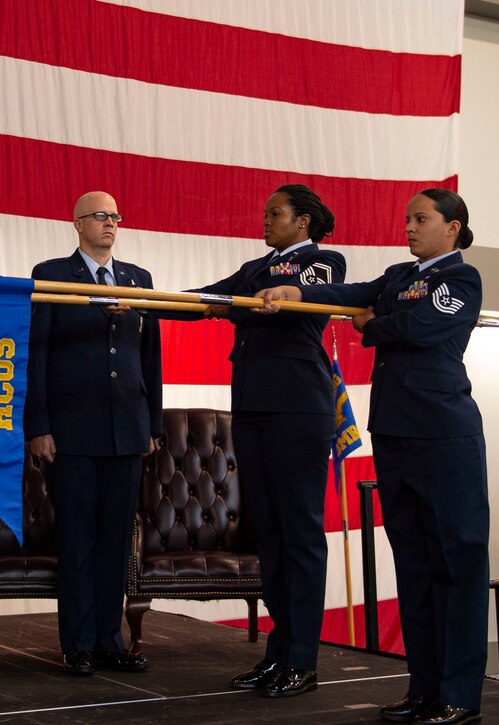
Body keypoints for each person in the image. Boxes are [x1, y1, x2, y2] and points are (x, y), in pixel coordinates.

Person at [257, 189, 488, 725]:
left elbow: (423, 328)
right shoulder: (397, 277)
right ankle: (423, 689)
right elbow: (350, 292)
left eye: (421, 219)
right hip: (396, 434)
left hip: (444, 437)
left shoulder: (462, 278)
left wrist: (370, 326)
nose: (408, 227)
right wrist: (297, 292)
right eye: (407, 218)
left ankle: (459, 695)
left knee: (456, 566)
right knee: (413, 566)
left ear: (452, 228)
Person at [152, 184, 345, 697]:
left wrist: (269, 299)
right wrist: (146, 305)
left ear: (303, 221)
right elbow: (208, 299)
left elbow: (308, 301)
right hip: (255, 410)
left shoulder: (322, 264)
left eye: (276, 213)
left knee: (300, 535)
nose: (265, 220)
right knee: (272, 535)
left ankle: (302, 658)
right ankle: (278, 654)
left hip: (299, 409)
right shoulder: (256, 268)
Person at [24, 191, 162, 676]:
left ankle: (109, 640)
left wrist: (154, 425)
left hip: (127, 429)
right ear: (77, 223)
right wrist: (38, 425)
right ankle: (78, 643)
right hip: (72, 431)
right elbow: (35, 353)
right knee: (77, 542)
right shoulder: (52, 274)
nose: (110, 223)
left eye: (116, 216)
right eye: (101, 216)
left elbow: (151, 359)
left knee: (114, 542)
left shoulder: (137, 280)